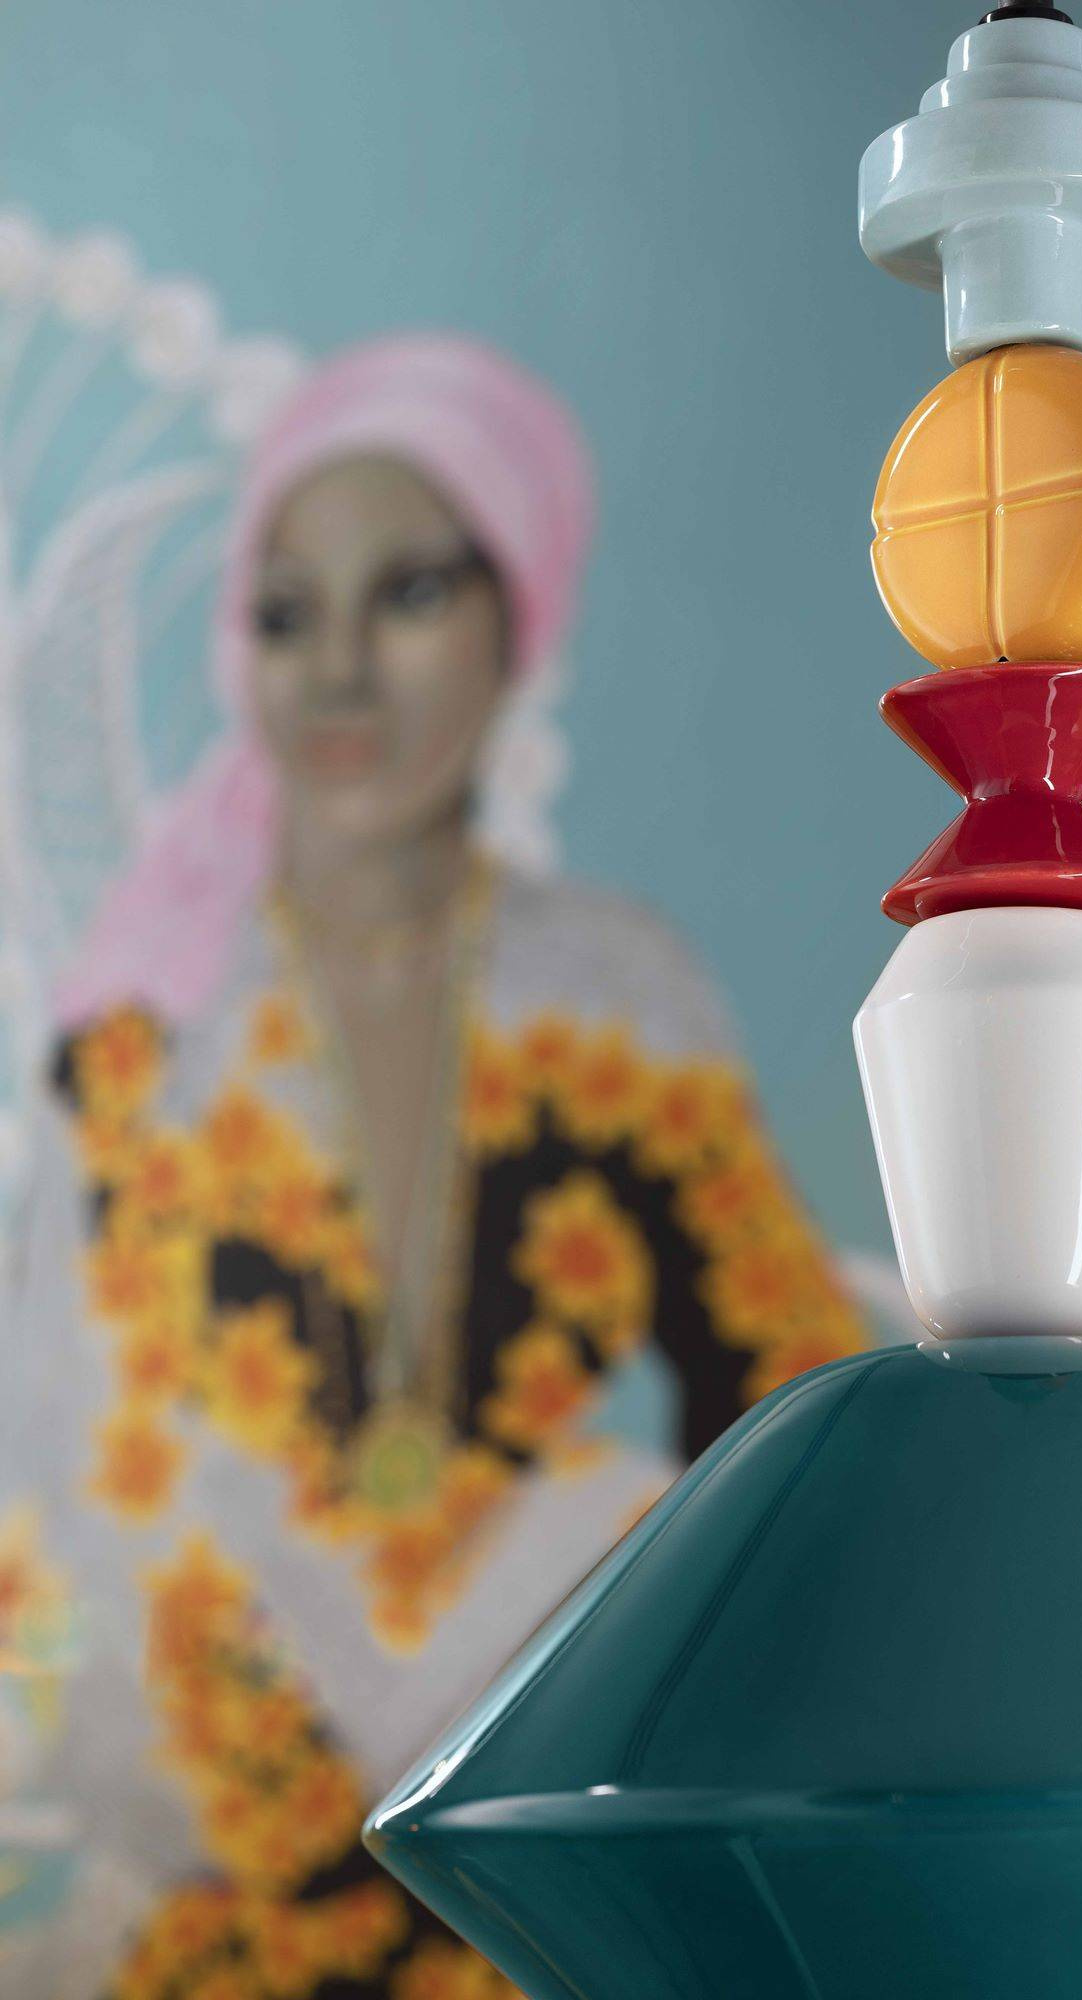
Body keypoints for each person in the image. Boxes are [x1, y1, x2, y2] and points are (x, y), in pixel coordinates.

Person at [0, 335, 864, 1997]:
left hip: (531, 1863)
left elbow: (787, 1427)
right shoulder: (143, 1036)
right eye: (283, 614)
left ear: (517, 611)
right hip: (208, 1868)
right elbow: (66, 1498)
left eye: (405, 594)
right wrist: (287, 1789)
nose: (336, 673)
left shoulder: (615, 1002)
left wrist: (563, 1656)